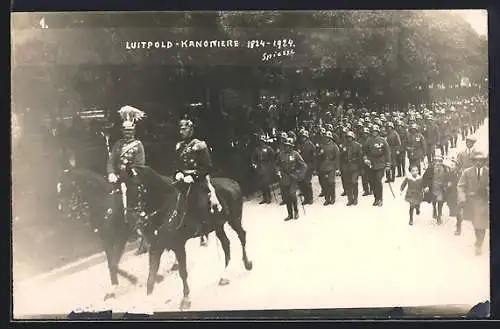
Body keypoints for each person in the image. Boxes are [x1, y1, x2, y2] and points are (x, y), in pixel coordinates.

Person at [107, 106, 147, 255]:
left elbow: (139, 165)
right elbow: (111, 161)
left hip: (132, 180)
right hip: (117, 179)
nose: (128, 133)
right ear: (122, 131)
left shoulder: (138, 145)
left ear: (134, 131)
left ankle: (139, 232)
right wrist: (111, 172)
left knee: (133, 206)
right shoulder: (117, 145)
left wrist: (126, 176)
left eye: (130, 131)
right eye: (125, 131)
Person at [174, 118, 222, 235]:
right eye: (180, 129)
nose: (181, 132)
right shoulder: (179, 146)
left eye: (184, 129)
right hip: (183, 179)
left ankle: (205, 227)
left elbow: (207, 167)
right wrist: (178, 173)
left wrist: (194, 177)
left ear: (190, 130)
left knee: (202, 202)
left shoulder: (200, 145)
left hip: (199, 179)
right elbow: (177, 164)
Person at [457, 150, 489, 256]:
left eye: (481, 161)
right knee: (476, 224)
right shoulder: (467, 172)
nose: (479, 163)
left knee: (483, 224)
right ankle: (478, 241)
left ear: (484, 162)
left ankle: (479, 244)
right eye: (476, 161)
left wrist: (487, 190)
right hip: (472, 202)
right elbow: (460, 186)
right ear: (473, 161)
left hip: (484, 201)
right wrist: (462, 198)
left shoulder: (488, 172)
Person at [276, 137, 307, 221]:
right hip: (284, 178)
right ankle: (290, 214)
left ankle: (296, 211)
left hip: (293, 177)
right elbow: (277, 164)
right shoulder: (281, 154)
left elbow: (304, 165)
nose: (287, 147)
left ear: (291, 146)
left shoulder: (295, 154)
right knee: (286, 197)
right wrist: (278, 171)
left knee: (292, 195)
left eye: (288, 146)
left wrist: (300, 175)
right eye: (285, 145)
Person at [363, 125, 391, 207]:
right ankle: (376, 198)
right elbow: (364, 152)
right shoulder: (368, 141)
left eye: (376, 131)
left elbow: (387, 153)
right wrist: (365, 159)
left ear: (378, 132)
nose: (374, 133)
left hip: (381, 163)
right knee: (373, 182)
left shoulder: (382, 140)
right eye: (373, 131)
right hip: (371, 163)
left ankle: (380, 199)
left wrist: (388, 164)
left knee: (378, 180)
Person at [422, 154, 452, 225]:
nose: (438, 163)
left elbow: (449, 176)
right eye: (436, 161)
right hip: (433, 187)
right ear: (434, 162)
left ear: (442, 162)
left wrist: (449, 182)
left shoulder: (446, 169)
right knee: (434, 200)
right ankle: (434, 209)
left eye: (440, 161)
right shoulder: (430, 169)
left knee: (440, 201)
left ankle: (439, 216)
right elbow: (425, 178)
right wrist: (425, 186)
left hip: (441, 188)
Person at [251, 135, 276, 204]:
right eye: (260, 141)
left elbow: (273, 156)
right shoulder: (257, 149)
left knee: (266, 183)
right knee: (262, 184)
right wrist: (254, 164)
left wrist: (271, 165)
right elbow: (253, 158)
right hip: (260, 167)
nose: (261, 143)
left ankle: (269, 197)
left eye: (262, 141)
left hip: (267, 166)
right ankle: (264, 198)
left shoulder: (268, 148)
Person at [340, 131, 363, 206]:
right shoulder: (343, 145)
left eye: (350, 137)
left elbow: (360, 158)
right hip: (346, 167)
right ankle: (350, 199)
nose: (349, 139)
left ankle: (355, 198)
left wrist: (360, 168)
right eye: (347, 137)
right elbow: (340, 157)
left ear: (353, 138)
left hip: (355, 167)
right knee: (348, 183)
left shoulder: (357, 145)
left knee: (354, 182)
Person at [317, 131, 340, 206]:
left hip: (331, 166)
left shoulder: (334, 146)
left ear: (330, 138)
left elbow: (337, 157)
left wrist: (337, 168)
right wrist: (320, 154)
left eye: (328, 138)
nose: (326, 139)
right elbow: (319, 156)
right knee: (325, 183)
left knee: (331, 182)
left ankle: (332, 198)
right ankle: (327, 199)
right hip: (323, 166)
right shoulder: (322, 145)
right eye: (325, 137)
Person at [298, 130, 316, 205]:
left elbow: (314, 157)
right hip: (302, 166)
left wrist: (314, 167)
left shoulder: (311, 145)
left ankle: (310, 198)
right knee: (302, 182)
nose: (303, 138)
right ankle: (306, 198)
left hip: (309, 165)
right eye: (302, 137)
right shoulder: (300, 145)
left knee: (307, 182)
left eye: (304, 137)